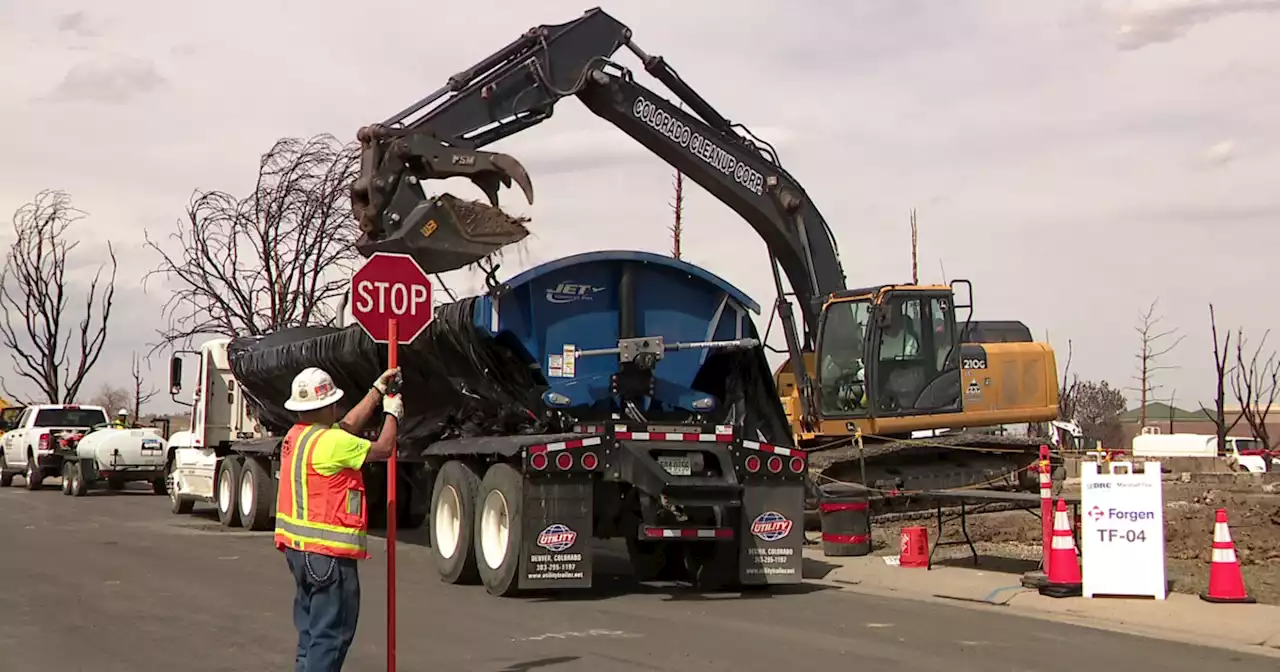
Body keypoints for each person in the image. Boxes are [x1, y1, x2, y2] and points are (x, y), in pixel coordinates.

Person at [275, 366, 403, 672]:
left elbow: (345, 427)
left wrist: (376, 392)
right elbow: (384, 448)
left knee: (310, 635)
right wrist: (392, 414)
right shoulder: (332, 443)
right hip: (328, 558)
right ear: (327, 406)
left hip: (299, 552)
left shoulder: (297, 437)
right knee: (331, 637)